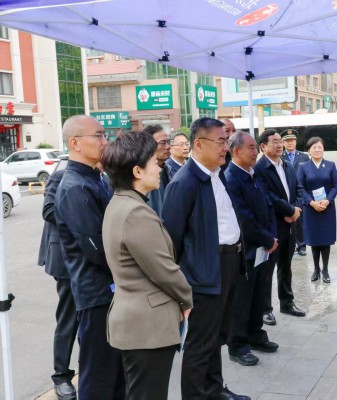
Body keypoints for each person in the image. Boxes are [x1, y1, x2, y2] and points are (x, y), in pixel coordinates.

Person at [101, 131, 193, 400]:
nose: (160, 167)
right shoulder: (136, 212)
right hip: (146, 326)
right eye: (154, 161)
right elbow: (164, 270)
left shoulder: (121, 202)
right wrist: (187, 299)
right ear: (138, 171)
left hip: (136, 321)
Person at [162, 117, 249, 400]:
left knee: (217, 335)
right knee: (200, 343)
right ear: (198, 144)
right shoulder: (184, 183)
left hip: (228, 264)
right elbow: (171, 242)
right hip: (203, 273)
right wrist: (181, 287)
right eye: (221, 141)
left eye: (227, 141)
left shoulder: (217, 174)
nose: (226, 147)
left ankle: (214, 389)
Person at [54, 115, 125, 398]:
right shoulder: (75, 186)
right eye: (98, 136)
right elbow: (97, 249)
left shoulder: (96, 178)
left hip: (111, 291)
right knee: (98, 377)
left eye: (104, 135)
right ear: (75, 143)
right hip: (97, 294)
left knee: (117, 374)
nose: (105, 141)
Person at [225, 131, 279, 367]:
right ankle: (237, 345)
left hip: (262, 248)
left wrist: (271, 236)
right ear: (236, 151)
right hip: (245, 250)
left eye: (256, 147)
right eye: (251, 148)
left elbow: (268, 207)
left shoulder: (253, 174)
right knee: (242, 299)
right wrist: (267, 238)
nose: (256, 152)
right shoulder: (231, 178)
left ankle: (256, 335)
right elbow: (244, 219)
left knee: (258, 294)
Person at [255, 129, 306, 326]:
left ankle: (287, 302)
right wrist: (288, 210)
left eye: (280, 141)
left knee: (286, 265)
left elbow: (298, 189)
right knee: (268, 268)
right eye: (274, 142)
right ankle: (265, 309)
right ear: (263, 146)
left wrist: (296, 209)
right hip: (273, 225)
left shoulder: (287, 165)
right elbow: (266, 195)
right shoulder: (260, 169)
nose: (279, 145)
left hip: (291, 224)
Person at [37, 168, 78, 400]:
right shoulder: (61, 176)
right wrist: (83, 218)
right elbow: (48, 210)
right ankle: (61, 376)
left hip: (93, 260)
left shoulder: (101, 177)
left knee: (91, 318)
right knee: (68, 318)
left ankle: (88, 366)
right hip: (65, 259)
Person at [297, 137, 337, 283]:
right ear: (309, 150)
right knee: (314, 240)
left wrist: (327, 200)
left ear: (323, 149)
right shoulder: (303, 167)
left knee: (325, 240)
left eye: (320, 147)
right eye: (314, 147)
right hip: (311, 209)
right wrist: (311, 202)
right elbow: (300, 187)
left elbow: (335, 186)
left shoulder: (330, 165)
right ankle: (316, 269)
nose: (317, 150)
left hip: (327, 208)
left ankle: (325, 269)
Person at [281, 129, 310, 256]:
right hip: (285, 193)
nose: (290, 143)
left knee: (300, 220)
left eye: (292, 140)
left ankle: (301, 245)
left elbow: (308, 175)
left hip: (300, 193)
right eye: (287, 141)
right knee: (286, 219)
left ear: (296, 141)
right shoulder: (280, 157)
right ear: (283, 143)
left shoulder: (304, 156)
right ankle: (289, 246)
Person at [144, 124, 172, 215]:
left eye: (168, 142)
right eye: (163, 142)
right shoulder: (144, 177)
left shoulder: (168, 171)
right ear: (148, 146)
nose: (168, 146)